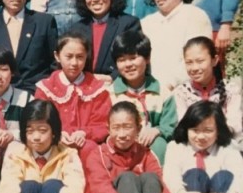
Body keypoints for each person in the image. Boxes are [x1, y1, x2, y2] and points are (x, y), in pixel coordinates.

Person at [34, 31, 112, 157]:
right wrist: (56, 133)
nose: (74, 63)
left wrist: (84, 133)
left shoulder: (98, 89)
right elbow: (38, 120)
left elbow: (103, 123)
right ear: (57, 56)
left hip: (87, 145)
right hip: (53, 142)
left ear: (86, 57)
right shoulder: (45, 88)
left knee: (90, 148)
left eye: (80, 57)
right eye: (69, 57)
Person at [140, 0, 213, 92]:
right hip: (151, 90)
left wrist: (169, 85)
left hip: (188, 91)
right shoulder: (146, 23)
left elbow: (196, 59)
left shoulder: (195, 16)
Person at [109, 30, 177, 164]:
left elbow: (171, 125)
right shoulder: (109, 94)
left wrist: (157, 130)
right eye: (121, 60)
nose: (128, 64)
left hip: (152, 147)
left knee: (160, 144)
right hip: (121, 145)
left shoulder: (162, 93)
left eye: (133, 58)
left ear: (147, 58)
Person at [169, 36, 243, 149]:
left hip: (224, 144)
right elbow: (183, 124)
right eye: (189, 62)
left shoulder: (230, 90)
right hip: (193, 145)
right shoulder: (181, 92)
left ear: (214, 60)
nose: (194, 68)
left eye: (200, 61)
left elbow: (234, 125)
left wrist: (212, 136)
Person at [71, 0, 141, 82]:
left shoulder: (128, 24)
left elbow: (135, 59)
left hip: (116, 85)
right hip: (82, 85)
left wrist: (112, 77)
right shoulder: (76, 28)